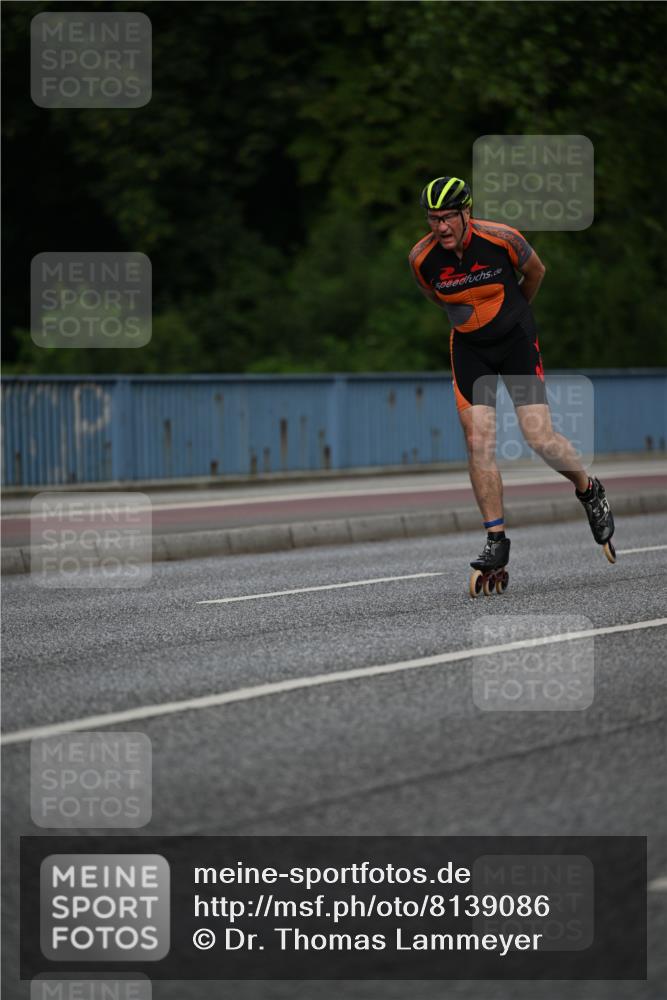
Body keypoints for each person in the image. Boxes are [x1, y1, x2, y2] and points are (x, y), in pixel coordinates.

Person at [408, 176, 615, 591]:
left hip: (515, 339)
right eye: (433, 218)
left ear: (466, 212)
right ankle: (495, 539)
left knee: (538, 436)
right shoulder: (421, 258)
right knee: (477, 440)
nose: (441, 227)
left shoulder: (502, 239)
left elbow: (536, 272)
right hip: (470, 348)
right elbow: (435, 296)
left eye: (448, 217)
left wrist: (515, 315)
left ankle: (588, 489)